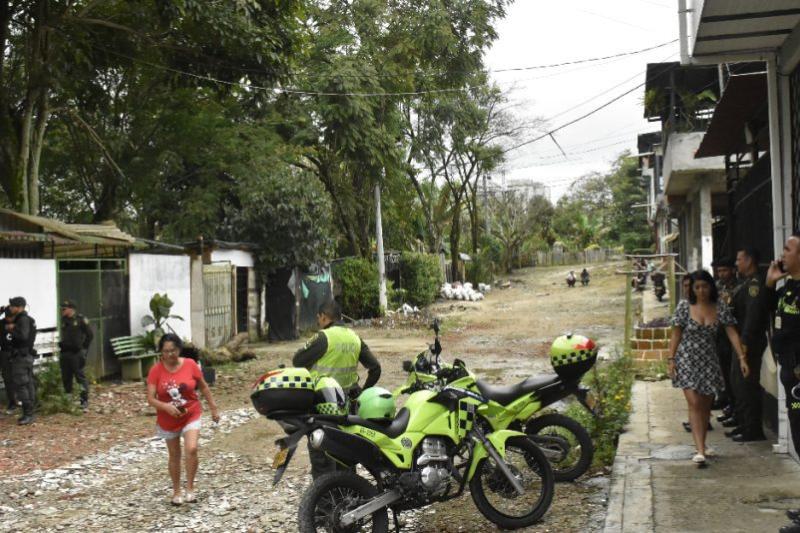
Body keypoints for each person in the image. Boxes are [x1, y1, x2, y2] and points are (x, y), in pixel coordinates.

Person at [293, 301, 381, 478]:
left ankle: (325, 503)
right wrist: (363, 393)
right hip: (348, 407)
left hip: (323, 407)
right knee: (346, 456)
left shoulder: (324, 337)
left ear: (324, 317)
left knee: (322, 457)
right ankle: (350, 500)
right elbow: (375, 369)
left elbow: (297, 361)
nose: (318, 322)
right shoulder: (355, 337)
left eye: (319, 318)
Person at [668, 270, 748, 465]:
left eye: (704, 286)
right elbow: (676, 334)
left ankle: (702, 443)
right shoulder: (684, 307)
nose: (701, 291)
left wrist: (742, 358)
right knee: (694, 403)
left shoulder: (719, 306)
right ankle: (700, 451)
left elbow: (732, 332)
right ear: (692, 289)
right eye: (697, 287)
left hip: (709, 361)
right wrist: (671, 359)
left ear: (710, 286)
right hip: (686, 359)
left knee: (704, 406)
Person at [146, 333, 220, 505]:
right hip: (167, 418)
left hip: (191, 413)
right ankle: (177, 490)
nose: (170, 354)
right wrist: (166, 407)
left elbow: (203, 387)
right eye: (166, 351)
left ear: (179, 349)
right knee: (174, 455)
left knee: (192, 448)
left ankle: (190, 488)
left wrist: (213, 408)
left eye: (173, 350)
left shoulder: (190, 364)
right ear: (161, 353)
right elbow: (150, 398)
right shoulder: (155, 370)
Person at [764, 234, 800, 533]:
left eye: (788, 249)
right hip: (790, 375)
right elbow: (767, 315)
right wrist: (770, 283)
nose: (782, 253)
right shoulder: (789, 289)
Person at [725, 248, 769, 442]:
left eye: (739, 259)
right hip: (740, 341)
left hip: (747, 342)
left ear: (750, 261)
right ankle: (743, 424)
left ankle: (752, 429)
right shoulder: (744, 283)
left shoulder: (755, 285)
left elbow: (752, 318)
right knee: (738, 384)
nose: (736, 263)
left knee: (747, 385)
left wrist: (744, 345)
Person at [1, 297, 37, 425]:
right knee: (28, 383)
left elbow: (23, 336)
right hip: (25, 355)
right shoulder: (27, 319)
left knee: (21, 384)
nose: (10, 308)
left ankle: (28, 414)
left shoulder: (22, 320)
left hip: (21, 357)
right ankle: (31, 411)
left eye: (12, 306)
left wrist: (12, 328)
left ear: (19, 307)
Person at [712, 257, 738, 416]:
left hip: (733, 333)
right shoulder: (716, 287)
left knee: (733, 374)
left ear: (733, 270)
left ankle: (734, 407)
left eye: (725, 270)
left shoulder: (739, 287)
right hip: (718, 335)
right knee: (721, 371)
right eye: (719, 271)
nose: (721, 274)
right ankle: (725, 401)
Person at [58, 300, 93, 412]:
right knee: (66, 377)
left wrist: (84, 349)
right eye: (62, 309)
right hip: (65, 353)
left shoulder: (80, 320)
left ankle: (84, 401)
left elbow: (90, 335)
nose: (62, 311)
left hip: (76, 354)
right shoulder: (64, 320)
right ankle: (68, 400)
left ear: (71, 309)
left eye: (64, 309)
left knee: (80, 377)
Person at [0, 306, 16, 415]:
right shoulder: (1, 323)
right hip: (4, 352)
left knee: (21, 377)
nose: (9, 319)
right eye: (7, 316)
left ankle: (27, 401)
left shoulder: (19, 322)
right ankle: (12, 402)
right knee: (7, 378)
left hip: (17, 352)